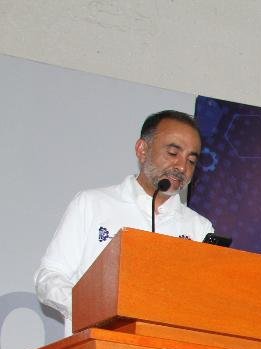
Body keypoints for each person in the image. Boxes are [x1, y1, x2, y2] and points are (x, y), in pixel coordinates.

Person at [34, 110, 214, 328]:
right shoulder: (92, 204)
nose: (182, 167)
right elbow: (49, 277)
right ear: (142, 150)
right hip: (99, 341)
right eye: (173, 153)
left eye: (191, 160)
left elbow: (205, 303)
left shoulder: (199, 228)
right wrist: (93, 308)